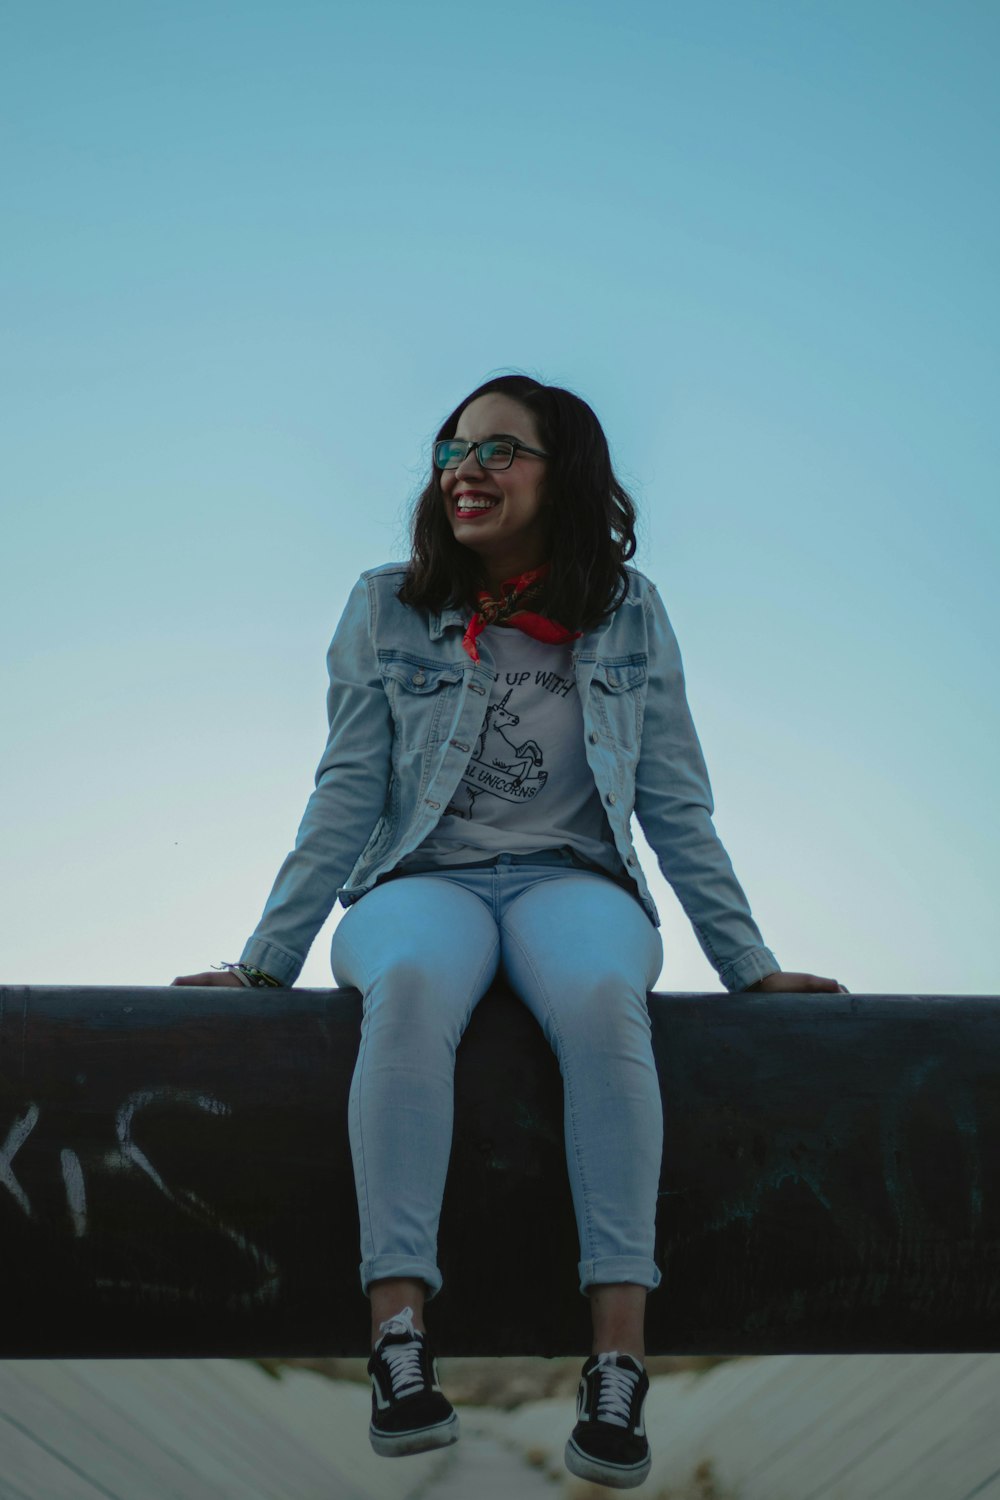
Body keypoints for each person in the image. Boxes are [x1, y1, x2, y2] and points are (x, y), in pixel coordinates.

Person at [173, 373, 846, 1489]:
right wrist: (266, 962)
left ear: (560, 472)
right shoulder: (385, 601)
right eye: (449, 451)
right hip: (420, 878)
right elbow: (346, 788)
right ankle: (398, 1335)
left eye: (497, 450)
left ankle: (616, 1364)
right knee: (414, 993)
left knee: (599, 1002)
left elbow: (674, 799)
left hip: (571, 880)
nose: (464, 471)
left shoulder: (627, 612)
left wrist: (749, 968)